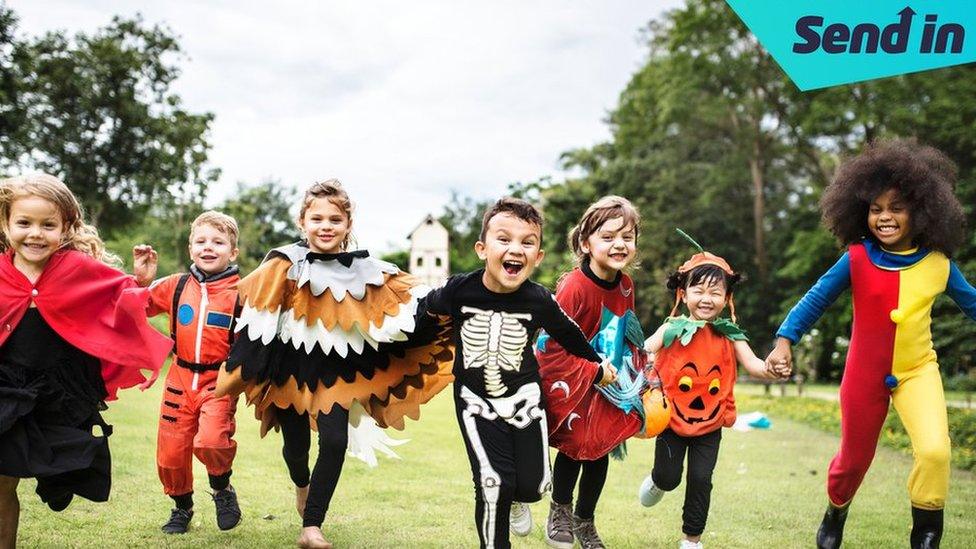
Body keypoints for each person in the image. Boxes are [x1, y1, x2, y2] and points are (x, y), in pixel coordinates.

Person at [216, 179, 453, 549]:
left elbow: (413, 299)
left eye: (334, 219)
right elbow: (242, 303)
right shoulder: (282, 264)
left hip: (337, 373)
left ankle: (312, 526)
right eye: (317, 218)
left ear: (347, 225)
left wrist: (461, 294)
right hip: (289, 372)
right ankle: (301, 483)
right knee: (295, 448)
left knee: (334, 440)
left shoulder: (370, 270)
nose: (325, 226)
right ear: (302, 222)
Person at [765, 140, 976, 549]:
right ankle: (835, 512)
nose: (885, 217)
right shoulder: (856, 257)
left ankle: (927, 532)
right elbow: (816, 298)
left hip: (918, 372)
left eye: (896, 207)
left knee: (935, 451)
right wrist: (784, 340)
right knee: (853, 461)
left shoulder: (939, 265)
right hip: (864, 375)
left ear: (922, 210)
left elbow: (973, 304)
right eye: (876, 209)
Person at [421, 197, 616, 549]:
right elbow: (422, 313)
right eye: (504, 239)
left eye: (528, 242)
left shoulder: (538, 299)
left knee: (534, 485)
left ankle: (518, 497)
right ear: (482, 249)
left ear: (538, 257)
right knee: (493, 482)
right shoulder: (458, 290)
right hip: (474, 401)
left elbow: (570, 333)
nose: (516, 249)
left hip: (525, 399)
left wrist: (597, 365)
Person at [0, 174, 171, 548]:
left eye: (48, 225)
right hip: (7, 387)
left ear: (65, 228)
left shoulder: (77, 267)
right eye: (24, 223)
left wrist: (139, 281)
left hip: (60, 390)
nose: (35, 234)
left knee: (65, 472)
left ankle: (58, 482)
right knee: (1, 481)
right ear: (6, 223)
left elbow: (118, 296)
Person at [640, 235, 787, 549]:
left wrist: (772, 368)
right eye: (699, 290)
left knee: (701, 480)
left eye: (715, 292)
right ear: (684, 293)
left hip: (710, 421)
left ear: (727, 298)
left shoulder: (730, 335)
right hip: (671, 419)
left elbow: (754, 365)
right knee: (669, 477)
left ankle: (691, 540)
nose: (706, 298)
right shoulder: (671, 328)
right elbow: (643, 351)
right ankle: (657, 481)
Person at [535, 196, 648, 548]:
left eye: (627, 237)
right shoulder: (574, 287)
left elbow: (624, 328)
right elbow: (551, 342)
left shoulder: (626, 285)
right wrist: (589, 370)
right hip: (576, 380)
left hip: (610, 383)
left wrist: (638, 368)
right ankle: (560, 511)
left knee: (600, 451)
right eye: (608, 236)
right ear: (586, 243)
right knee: (574, 448)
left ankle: (585, 521)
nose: (619, 244)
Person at [132, 211, 244, 534]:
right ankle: (182, 508)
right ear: (190, 248)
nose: (209, 248)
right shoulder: (176, 285)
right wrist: (140, 281)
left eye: (218, 242)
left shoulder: (241, 293)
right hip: (179, 378)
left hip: (218, 381)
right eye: (201, 241)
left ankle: (222, 489)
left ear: (232, 252)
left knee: (212, 440)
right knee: (171, 452)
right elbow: (137, 304)